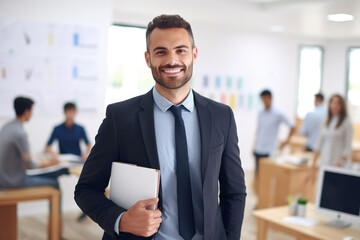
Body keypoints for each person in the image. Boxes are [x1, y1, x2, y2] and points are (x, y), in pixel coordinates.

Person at [75, 14, 246, 240]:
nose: (172, 60)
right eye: (161, 51)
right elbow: (86, 190)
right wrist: (121, 219)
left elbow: (234, 192)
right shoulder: (120, 117)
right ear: (148, 59)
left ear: (194, 54)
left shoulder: (221, 116)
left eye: (181, 50)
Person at [0, 97, 68, 237]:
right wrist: (50, 163)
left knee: (51, 174)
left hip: (5, 176)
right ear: (26, 112)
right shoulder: (20, 133)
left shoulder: (7, 127)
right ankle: (56, 234)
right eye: (31, 111)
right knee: (54, 183)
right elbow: (30, 164)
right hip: (13, 180)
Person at [307, 94, 353, 180]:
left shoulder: (346, 123)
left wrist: (338, 165)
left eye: (338, 103)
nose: (335, 106)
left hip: (338, 166)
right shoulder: (325, 121)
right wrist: (312, 168)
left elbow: (347, 148)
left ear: (342, 106)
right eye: (333, 103)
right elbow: (319, 144)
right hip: (325, 164)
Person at [253, 89, 295, 171]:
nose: (264, 101)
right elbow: (259, 130)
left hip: (270, 150)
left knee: (268, 175)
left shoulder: (278, 113)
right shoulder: (260, 112)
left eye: (266, 98)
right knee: (258, 174)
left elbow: (292, 126)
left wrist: (286, 142)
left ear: (270, 98)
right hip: (258, 149)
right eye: (262, 99)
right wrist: (253, 146)